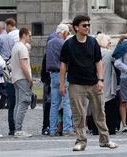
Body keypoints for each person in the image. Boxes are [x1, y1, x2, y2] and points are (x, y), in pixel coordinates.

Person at [60, 15, 119, 151]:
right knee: (79, 114)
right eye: (84, 25)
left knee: (99, 112)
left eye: (88, 25)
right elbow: (63, 65)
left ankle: (105, 140)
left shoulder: (93, 42)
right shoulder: (68, 44)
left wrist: (100, 80)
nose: (87, 27)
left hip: (93, 83)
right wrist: (62, 85)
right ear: (76, 28)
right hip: (76, 84)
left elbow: (98, 62)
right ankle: (81, 141)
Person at [46, 23, 73, 136]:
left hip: (53, 75)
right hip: (64, 74)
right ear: (64, 32)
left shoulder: (50, 42)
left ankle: (52, 129)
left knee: (54, 104)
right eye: (67, 33)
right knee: (67, 102)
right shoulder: (64, 43)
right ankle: (67, 129)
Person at [9, 27, 34, 138]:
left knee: (18, 104)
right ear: (24, 35)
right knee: (23, 103)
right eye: (29, 35)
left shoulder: (15, 46)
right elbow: (24, 66)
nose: (30, 37)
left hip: (16, 78)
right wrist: (30, 79)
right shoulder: (22, 47)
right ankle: (18, 130)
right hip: (22, 78)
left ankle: (16, 129)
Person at [0, 18, 20, 134]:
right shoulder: (12, 38)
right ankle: (15, 127)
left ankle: (13, 128)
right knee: (15, 102)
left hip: (6, 68)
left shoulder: (4, 37)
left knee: (12, 102)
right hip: (13, 69)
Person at [96, 34, 120, 134]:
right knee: (110, 107)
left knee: (97, 106)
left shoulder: (94, 52)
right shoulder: (109, 53)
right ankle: (110, 127)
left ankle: (95, 128)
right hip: (108, 82)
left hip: (96, 81)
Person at [0, 21, 8, 109]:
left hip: (1, 62)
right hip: (9, 62)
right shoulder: (10, 37)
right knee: (7, 83)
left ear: (0, 28)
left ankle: (1, 103)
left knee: (0, 83)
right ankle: (6, 102)